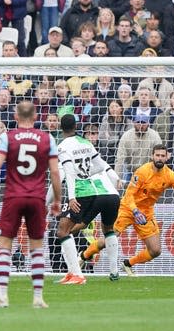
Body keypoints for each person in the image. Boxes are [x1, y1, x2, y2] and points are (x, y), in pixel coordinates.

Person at [80, 145, 174, 276]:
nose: (160, 158)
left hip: (146, 212)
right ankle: (83, 256)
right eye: (157, 155)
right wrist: (135, 211)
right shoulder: (142, 172)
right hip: (128, 208)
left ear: (167, 157)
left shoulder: (170, 176)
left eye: (163, 156)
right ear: (152, 156)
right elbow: (129, 195)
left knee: (155, 250)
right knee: (107, 240)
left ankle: (128, 264)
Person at [0, 101, 61, 309]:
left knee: (4, 244)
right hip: (37, 198)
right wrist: (58, 200)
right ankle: (38, 297)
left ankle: (2, 296)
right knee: (36, 247)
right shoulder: (47, 138)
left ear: (15, 116)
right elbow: (54, 173)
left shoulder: (8, 137)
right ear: (36, 117)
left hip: (13, 197)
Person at [55, 114, 121, 284]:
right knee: (107, 229)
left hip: (80, 193)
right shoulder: (86, 143)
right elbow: (101, 166)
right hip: (97, 192)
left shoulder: (62, 147)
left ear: (60, 128)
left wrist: (71, 197)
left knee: (63, 231)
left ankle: (76, 274)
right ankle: (77, 273)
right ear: (76, 127)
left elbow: (69, 173)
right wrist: (86, 173)